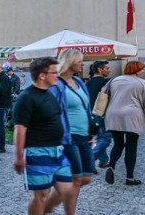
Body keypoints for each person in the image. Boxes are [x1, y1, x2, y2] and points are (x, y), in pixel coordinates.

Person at [13, 57, 72, 215]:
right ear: (42, 76)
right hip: (37, 152)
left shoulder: (49, 94)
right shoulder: (26, 98)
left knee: (67, 189)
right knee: (41, 195)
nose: (57, 76)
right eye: (54, 72)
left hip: (57, 151)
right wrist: (19, 157)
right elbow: (20, 129)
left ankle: (44, 211)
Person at [45, 49, 94, 215]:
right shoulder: (56, 84)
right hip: (67, 137)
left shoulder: (79, 82)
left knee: (85, 177)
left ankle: (47, 206)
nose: (83, 63)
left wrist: (91, 131)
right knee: (76, 178)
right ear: (70, 62)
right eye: (80, 60)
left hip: (83, 135)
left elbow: (86, 107)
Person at [104, 61, 145, 186]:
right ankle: (130, 178)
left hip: (113, 115)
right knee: (131, 147)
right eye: (142, 69)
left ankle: (111, 165)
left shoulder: (114, 80)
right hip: (132, 116)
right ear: (136, 70)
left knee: (118, 144)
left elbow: (104, 94)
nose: (143, 71)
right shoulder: (143, 83)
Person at [86, 60, 112, 168]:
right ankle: (89, 159)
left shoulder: (89, 82)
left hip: (91, 113)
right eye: (107, 68)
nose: (109, 70)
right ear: (100, 70)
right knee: (106, 138)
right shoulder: (106, 82)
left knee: (100, 137)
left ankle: (103, 160)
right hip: (102, 113)